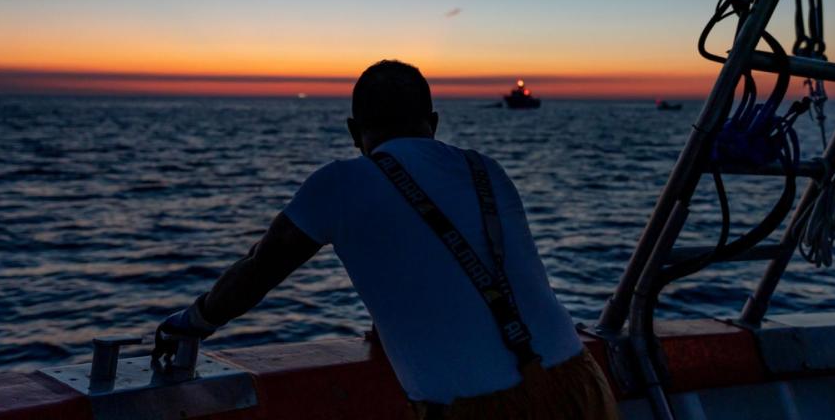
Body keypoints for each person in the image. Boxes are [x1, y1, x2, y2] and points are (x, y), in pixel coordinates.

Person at [153, 59, 618, 419]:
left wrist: (190, 321)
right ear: (432, 123)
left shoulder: (339, 184)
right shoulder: (486, 170)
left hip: (473, 407)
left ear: (355, 132)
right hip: (578, 379)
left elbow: (257, 272)